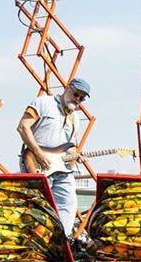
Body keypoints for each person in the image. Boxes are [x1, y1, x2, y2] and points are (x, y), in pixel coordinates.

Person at [17, 78, 91, 235]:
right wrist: (38, 153)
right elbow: (23, 127)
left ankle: (60, 240)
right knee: (38, 206)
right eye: (76, 94)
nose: (77, 99)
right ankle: (33, 241)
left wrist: (76, 155)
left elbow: (67, 147)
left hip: (62, 169)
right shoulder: (44, 103)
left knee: (68, 204)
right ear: (67, 88)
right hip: (37, 164)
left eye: (81, 98)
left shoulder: (75, 119)